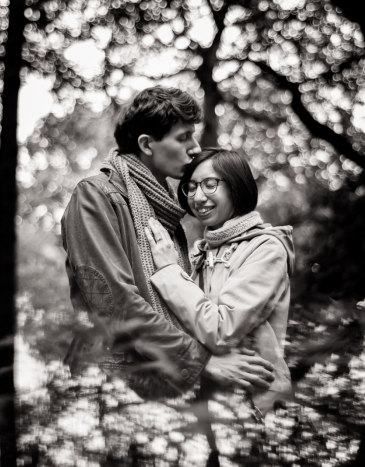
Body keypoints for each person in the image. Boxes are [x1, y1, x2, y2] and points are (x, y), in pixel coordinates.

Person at [61, 87, 276, 400]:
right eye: (183, 137)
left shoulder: (165, 212)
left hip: (167, 384)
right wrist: (202, 360)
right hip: (107, 385)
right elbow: (115, 304)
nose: (194, 148)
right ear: (147, 144)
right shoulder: (96, 196)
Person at [145, 148, 295, 415]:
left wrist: (169, 270)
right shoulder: (204, 251)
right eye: (190, 188)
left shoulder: (267, 249)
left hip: (254, 407)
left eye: (209, 184)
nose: (197, 197)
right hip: (211, 402)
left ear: (236, 186)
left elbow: (220, 330)